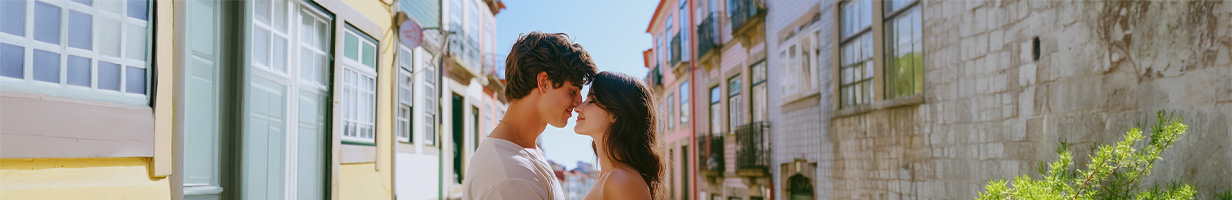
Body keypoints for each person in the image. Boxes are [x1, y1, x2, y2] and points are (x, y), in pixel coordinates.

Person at [462, 31, 598, 200]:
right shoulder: (510, 176)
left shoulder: (525, 151)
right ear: (543, 82)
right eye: (572, 91)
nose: (579, 102)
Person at [574, 71, 663, 200]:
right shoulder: (612, 178)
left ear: (615, 115)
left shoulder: (621, 179)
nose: (578, 107)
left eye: (591, 101)